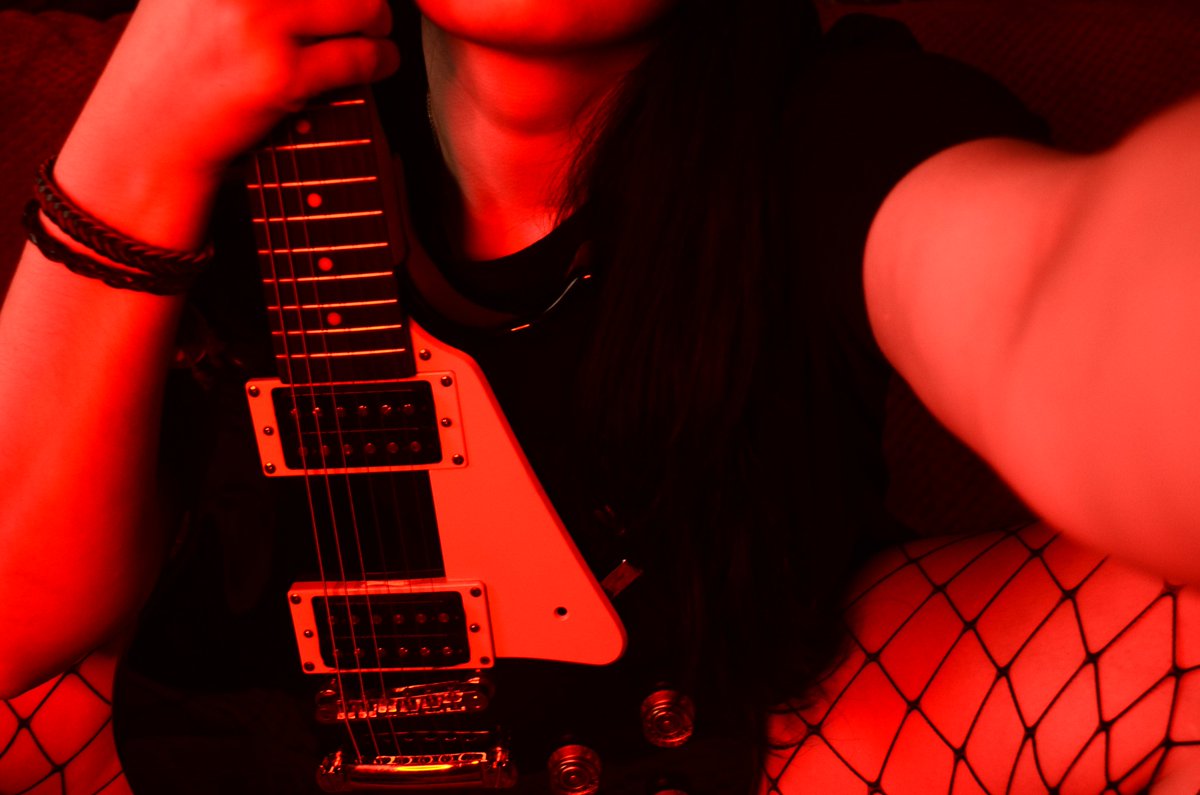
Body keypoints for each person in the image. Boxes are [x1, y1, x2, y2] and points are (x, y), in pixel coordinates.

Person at [0, 0, 1197, 793]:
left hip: (735, 737)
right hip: (253, 737)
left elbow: (1054, 287)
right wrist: (133, 149)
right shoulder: (218, 112)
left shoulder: (842, 121)